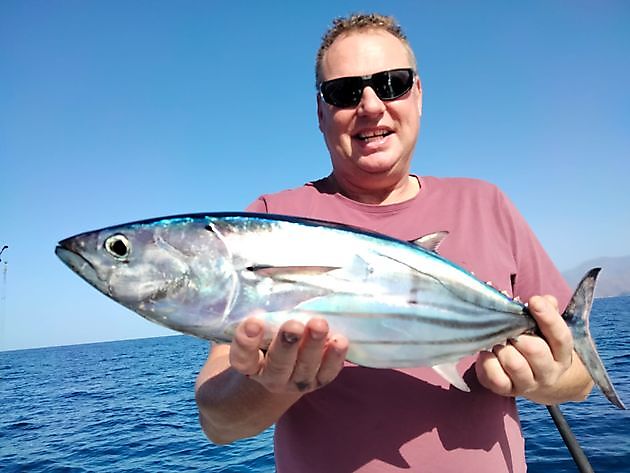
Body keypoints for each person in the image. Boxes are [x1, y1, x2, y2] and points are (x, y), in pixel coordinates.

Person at [195, 13, 593, 472]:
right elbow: (218, 423)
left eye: (392, 83)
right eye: (343, 92)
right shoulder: (267, 224)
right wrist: (270, 384)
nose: (370, 105)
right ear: (320, 113)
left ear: (418, 96)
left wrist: (550, 378)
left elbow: (578, 377)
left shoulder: (487, 203)